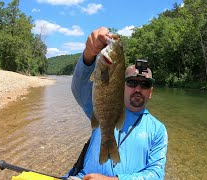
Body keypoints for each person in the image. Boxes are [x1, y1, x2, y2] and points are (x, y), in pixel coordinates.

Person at [67, 27, 168, 180]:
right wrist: (89, 53)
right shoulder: (99, 105)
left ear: (151, 92)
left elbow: (156, 174)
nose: (138, 89)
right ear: (122, 84)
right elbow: (78, 87)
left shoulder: (158, 129)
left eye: (145, 85)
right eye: (132, 82)